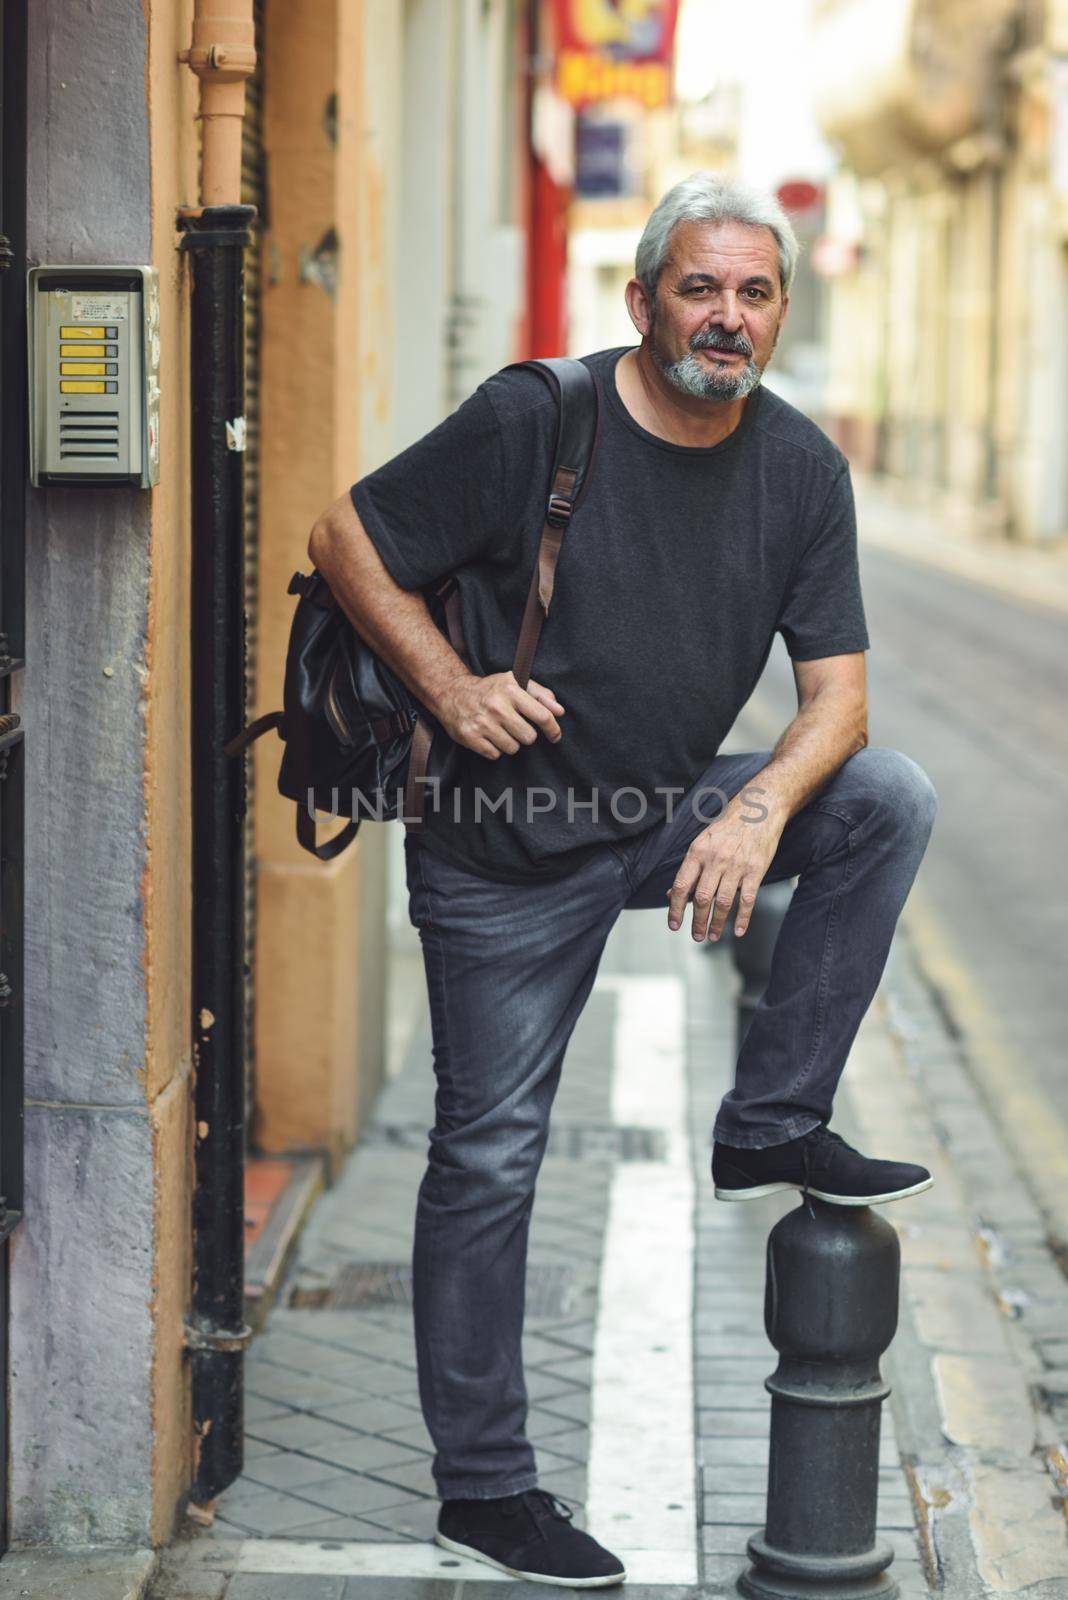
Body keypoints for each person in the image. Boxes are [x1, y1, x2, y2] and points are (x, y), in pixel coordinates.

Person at [308, 172, 938, 1589]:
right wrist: (452, 689)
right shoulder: (539, 416)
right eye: (700, 287)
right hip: (504, 849)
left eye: (755, 292)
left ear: (781, 311)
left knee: (886, 798)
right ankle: (485, 1488)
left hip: (657, 813)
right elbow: (342, 536)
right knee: (489, 1157)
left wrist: (758, 812)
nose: (728, 315)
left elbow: (838, 702)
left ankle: (769, 1123)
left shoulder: (799, 467)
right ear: (644, 298)